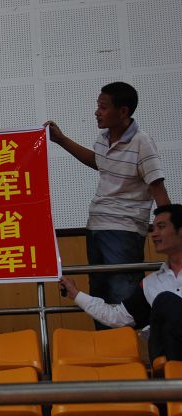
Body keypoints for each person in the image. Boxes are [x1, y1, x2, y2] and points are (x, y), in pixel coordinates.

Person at [45, 82, 171, 329]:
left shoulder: (142, 142)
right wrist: (61, 140)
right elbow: (98, 162)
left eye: (103, 107)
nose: (97, 112)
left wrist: (168, 228)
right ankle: (106, 347)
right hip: (96, 226)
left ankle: (127, 349)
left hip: (124, 228)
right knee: (100, 293)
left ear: (123, 111)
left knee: (122, 295)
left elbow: (158, 187)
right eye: (98, 106)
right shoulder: (103, 139)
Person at [60, 204, 182, 362]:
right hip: (171, 360)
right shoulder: (151, 283)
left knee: (165, 302)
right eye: (153, 228)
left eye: (161, 227)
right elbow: (117, 317)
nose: (154, 234)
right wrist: (76, 295)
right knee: (164, 301)